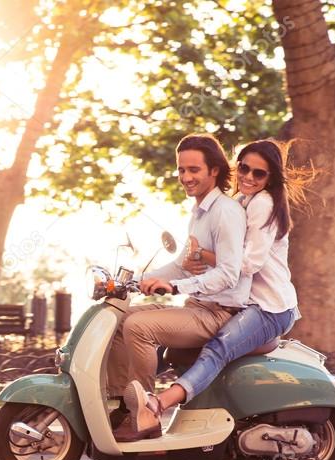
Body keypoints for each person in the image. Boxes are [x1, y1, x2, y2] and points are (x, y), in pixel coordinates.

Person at [120, 139, 311, 441]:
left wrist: (198, 262)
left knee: (216, 350)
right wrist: (143, 278)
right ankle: (122, 400)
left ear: (270, 178)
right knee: (138, 330)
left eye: (258, 174)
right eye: (244, 169)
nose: (248, 177)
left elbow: (243, 266)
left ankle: (154, 406)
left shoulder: (259, 204)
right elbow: (190, 261)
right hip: (243, 302)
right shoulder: (235, 202)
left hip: (269, 306)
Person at [107, 134, 250, 439]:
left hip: (219, 313)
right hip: (198, 307)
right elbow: (182, 264)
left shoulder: (225, 212)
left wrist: (175, 287)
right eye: (181, 170)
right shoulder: (200, 213)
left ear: (214, 171)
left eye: (193, 170)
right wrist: (137, 282)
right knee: (119, 319)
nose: (185, 177)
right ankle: (121, 403)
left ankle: (145, 415)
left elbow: (229, 274)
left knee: (138, 327)